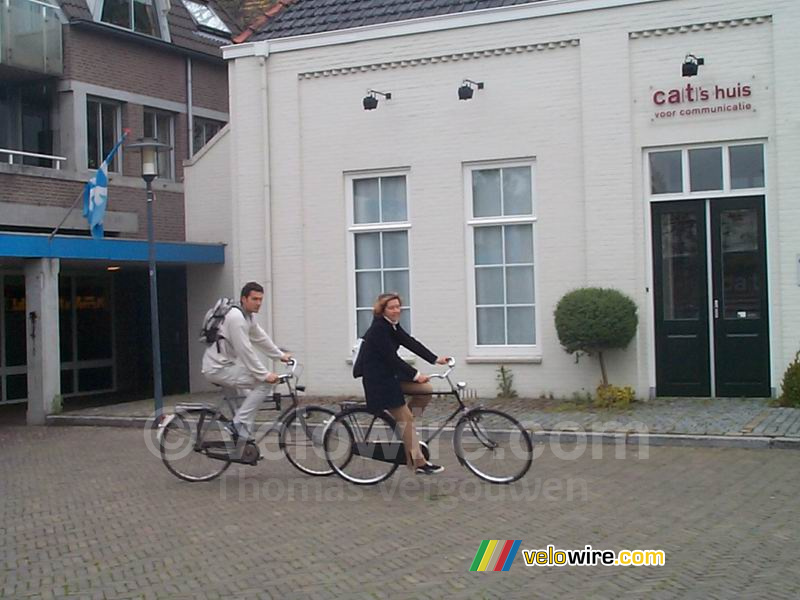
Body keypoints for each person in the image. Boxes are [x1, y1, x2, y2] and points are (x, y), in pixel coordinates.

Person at [353, 292, 451, 475]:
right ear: (382, 310)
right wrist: (416, 374)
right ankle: (419, 463)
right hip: (378, 382)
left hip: (390, 377)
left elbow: (410, 342)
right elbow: (391, 358)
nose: (396, 310)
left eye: (398, 307)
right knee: (405, 418)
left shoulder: (393, 327)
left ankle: (407, 429)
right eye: (391, 307)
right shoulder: (378, 330)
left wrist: (435, 359)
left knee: (425, 390)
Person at [202, 281, 290, 440]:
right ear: (244, 299)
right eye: (254, 299)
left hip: (226, 366)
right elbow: (245, 350)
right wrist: (264, 374)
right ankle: (237, 425)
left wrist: (279, 355)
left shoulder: (247, 316)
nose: (259, 303)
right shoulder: (236, 318)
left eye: (260, 299)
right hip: (218, 369)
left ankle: (242, 444)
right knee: (264, 384)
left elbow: (260, 337)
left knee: (248, 402)